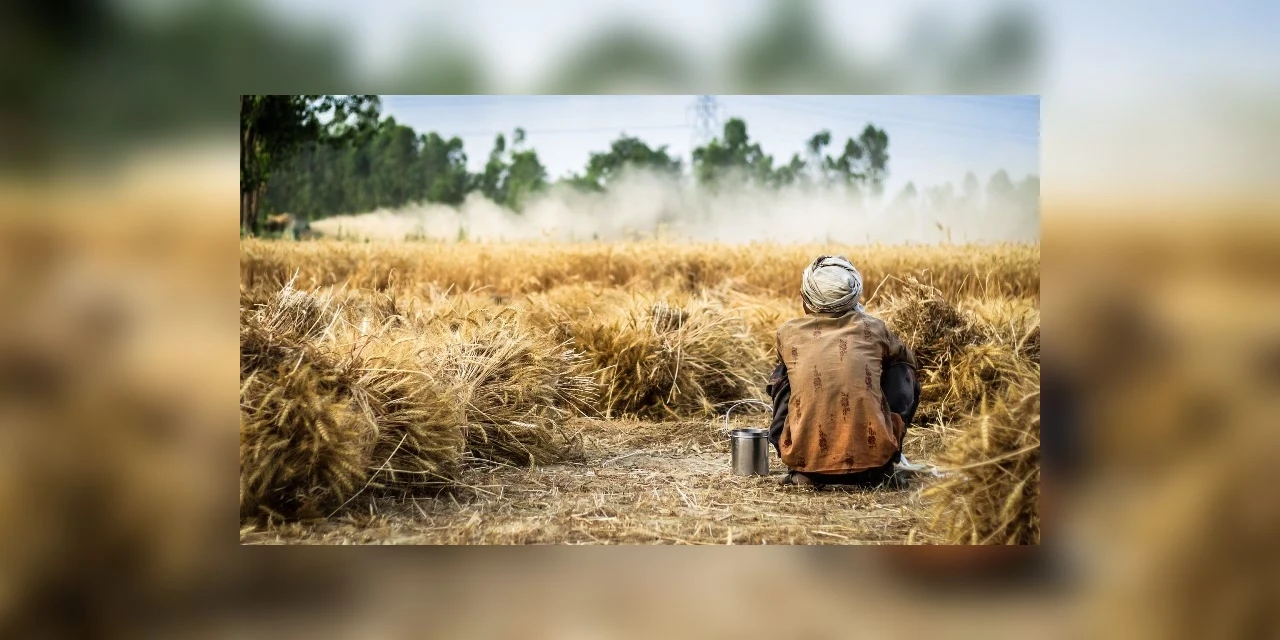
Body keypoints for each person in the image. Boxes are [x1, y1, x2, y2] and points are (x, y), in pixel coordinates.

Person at [766, 255, 921, 487]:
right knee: (901, 368)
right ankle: (883, 454)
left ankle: (803, 462)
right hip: (874, 467)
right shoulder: (875, 328)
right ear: (854, 297)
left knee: (785, 373)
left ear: (805, 299)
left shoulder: (787, 333)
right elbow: (909, 363)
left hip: (805, 463)